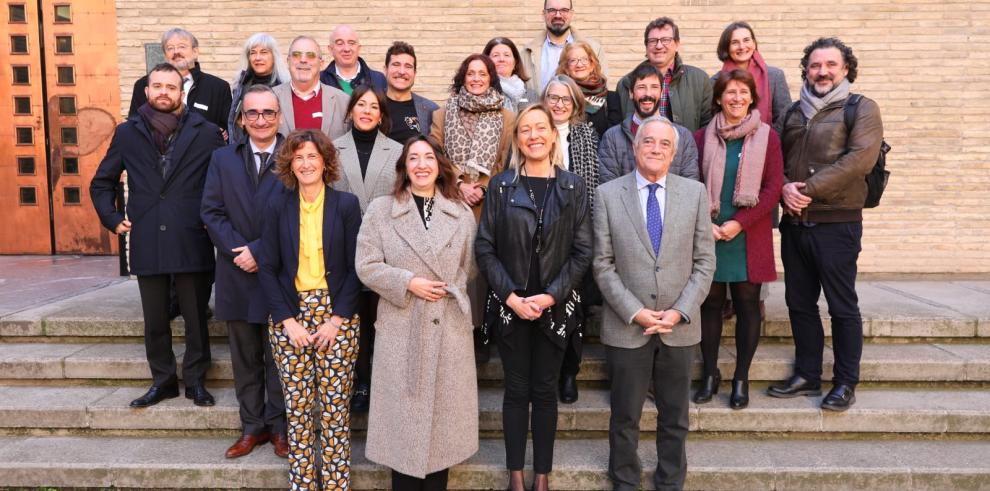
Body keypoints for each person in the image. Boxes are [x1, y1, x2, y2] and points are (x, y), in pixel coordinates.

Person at [91, 63, 224, 408]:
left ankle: (196, 380)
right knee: (155, 320)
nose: (164, 92)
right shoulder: (127, 133)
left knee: (195, 317)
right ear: (147, 91)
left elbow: (221, 183)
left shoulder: (207, 132)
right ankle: (163, 381)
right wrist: (112, 218)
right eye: (157, 86)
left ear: (182, 93)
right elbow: (102, 180)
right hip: (147, 237)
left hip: (192, 235)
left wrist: (216, 220)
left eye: (171, 86)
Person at [593, 116, 715, 491]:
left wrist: (680, 311)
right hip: (628, 325)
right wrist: (635, 310)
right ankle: (625, 481)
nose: (656, 149)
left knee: (675, 416)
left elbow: (705, 261)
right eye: (649, 142)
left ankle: (670, 482)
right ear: (635, 146)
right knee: (625, 415)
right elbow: (602, 263)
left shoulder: (694, 193)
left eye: (664, 144)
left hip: (679, 327)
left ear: (674, 152)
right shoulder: (608, 194)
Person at [475, 104, 592, 491]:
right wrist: (510, 296)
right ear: (517, 139)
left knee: (544, 390)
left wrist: (550, 296)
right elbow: (485, 248)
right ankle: (516, 477)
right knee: (516, 390)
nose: (534, 135)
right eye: (525, 129)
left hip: (554, 308)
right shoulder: (500, 186)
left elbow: (582, 251)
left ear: (554, 135)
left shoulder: (573, 187)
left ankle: (542, 476)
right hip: (511, 308)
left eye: (541, 128)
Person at [356, 135, 479, 491]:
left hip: (448, 328)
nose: (422, 164)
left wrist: (440, 289)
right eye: (414, 158)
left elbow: (468, 268)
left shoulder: (460, 212)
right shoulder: (382, 210)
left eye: (429, 157)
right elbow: (365, 265)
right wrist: (408, 281)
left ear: (440, 166)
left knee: (440, 434)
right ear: (404, 167)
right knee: (406, 433)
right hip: (402, 327)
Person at [768, 38, 884, 412]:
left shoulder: (861, 108)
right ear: (807, 69)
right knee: (799, 303)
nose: (823, 71)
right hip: (796, 224)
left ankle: (846, 382)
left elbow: (859, 160)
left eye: (831, 65)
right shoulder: (793, 112)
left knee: (842, 306)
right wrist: (784, 185)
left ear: (845, 68)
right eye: (816, 65)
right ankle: (807, 374)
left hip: (837, 223)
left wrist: (806, 189)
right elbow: (775, 158)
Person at [259, 129, 362, 490]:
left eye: (312, 156)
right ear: (290, 163)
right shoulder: (276, 205)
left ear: (325, 162)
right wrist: (288, 321)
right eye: (298, 157)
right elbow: (268, 268)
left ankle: (335, 486)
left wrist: (336, 321)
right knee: (299, 411)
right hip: (291, 317)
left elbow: (355, 269)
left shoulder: (346, 205)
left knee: (334, 411)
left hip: (337, 315)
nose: (305, 163)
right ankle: (303, 484)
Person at [201, 85, 289, 457]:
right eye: (252, 113)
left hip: (281, 273)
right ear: (241, 119)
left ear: (279, 117)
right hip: (236, 271)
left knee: (280, 358)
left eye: (268, 113)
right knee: (245, 357)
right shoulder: (223, 159)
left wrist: (260, 251)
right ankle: (252, 427)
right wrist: (241, 250)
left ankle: (280, 427)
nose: (261, 120)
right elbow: (211, 211)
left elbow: (300, 214)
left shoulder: (295, 155)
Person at [692, 70, 783, 409]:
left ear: (751, 98)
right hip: (709, 232)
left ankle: (741, 378)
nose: (736, 98)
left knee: (747, 306)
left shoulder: (768, 137)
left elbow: (773, 188)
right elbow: (691, 183)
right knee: (710, 305)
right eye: (730, 92)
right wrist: (707, 223)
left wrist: (739, 224)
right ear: (718, 98)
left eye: (743, 92)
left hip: (748, 234)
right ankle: (710, 374)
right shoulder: (702, 137)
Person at [430, 53, 515, 361]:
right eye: (470, 73)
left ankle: (483, 330)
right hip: (452, 199)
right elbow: (435, 154)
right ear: (462, 77)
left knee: (485, 264)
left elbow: (507, 160)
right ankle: (460, 328)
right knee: (456, 263)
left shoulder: (507, 117)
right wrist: (460, 184)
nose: (476, 78)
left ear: (492, 77)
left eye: (483, 73)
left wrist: (482, 186)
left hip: (489, 202)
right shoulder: (443, 113)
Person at [331, 85, 403, 414]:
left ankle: (383, 384)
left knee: (383, 321)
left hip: (385, 251)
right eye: (361, 104)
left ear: (381, 115)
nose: (367, 111)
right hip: (344, 248)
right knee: (354, 320)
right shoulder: (332, 150)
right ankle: (360, 382)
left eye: (374, 107)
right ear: (351, 111)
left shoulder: (399, 151)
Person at [542, 75, 601, 404]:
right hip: (539, 235)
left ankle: (569, 372)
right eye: (553, 97)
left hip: (578, 233)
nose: (559, 104)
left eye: (566, 98)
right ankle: (548, 372)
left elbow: (594, 184)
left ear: (576, 103)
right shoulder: (535, 131)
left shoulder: (587, 134)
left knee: (573, 308)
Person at [599, 62, 699, 184]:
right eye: (641, 87)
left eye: (654, 87)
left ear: (662, 92)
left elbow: (689, 187)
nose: (648, 94)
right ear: (631, 93)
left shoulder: (683, 137)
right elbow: (609, 189)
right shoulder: (612, 138)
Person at [129, 28, 232, 135]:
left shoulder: (218, 87)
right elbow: (134, 125)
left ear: (195, 52)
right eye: (170, 48)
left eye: (182, 47)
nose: (176, 52)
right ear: (165, 55)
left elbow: (228, 130)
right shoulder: (144, 84)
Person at [616, 17, 712, 132]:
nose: (659, 46)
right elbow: (620, 130)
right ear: (646, 47)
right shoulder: (626, 83)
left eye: (665, 40)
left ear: (677, 44)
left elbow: (707, 128)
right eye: (653, 41)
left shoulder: (699, 80)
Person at [713, 21, 791, 132]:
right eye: (735, 42)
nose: (742, 46)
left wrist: (770, 142)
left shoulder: (774, 76)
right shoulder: (716, 81)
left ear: (754, 43)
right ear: (726, 47)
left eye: (746, 40)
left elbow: (784, 119)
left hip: (768, 144)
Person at [520, 0, 607, 94]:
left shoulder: (594, 49)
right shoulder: (527, 54)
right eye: (552, 10)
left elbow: (602, 90)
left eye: (564, 10)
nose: (558, 15)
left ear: (571, 14)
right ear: (544, 14)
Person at [272, 36, 350, 139]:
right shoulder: (271, 98)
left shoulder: (343, 102)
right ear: (288, 61)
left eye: (311, 55)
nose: (303, 60)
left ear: (321, 64)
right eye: (296, 54)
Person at [228, 33, 289, 142]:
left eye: (264, 52)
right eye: (253, 53)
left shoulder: (285, 87)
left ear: (274, 56)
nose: (257, 58)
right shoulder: (240, 86)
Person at [556, 41, 622, 139]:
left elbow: (614, 138)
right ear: (566, 68)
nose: (579, 65)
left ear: (592, 65)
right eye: (573, 60)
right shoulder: (559, 99)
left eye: (584, 59)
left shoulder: (611, 99)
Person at [383, 41, 439, 143]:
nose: (402, 72)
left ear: (414, 73)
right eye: (396, 64)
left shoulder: (430, 110)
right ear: (385, 69)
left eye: (408, 66)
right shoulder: (372, 104)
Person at [319, 25, 387, 95]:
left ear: (359, 48)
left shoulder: (378, 79)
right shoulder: (319, 80)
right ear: (330, 49)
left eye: (351, 43)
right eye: (340, 43)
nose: (346, 49)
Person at [484, 37, 537, 112]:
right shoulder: (481, 92)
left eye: (506, 55)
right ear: (486, 61)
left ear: (515, 62)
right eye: (495, 55)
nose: (501, 59)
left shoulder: (530, 95)